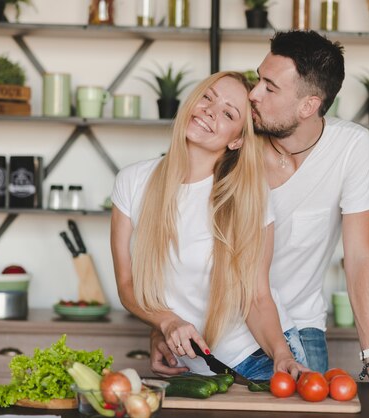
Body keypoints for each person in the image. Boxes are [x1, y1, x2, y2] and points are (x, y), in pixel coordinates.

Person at [152, 31, 369, 385]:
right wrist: (161, 325)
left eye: (270, 88)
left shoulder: (351, 148)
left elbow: (360, 255)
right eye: (258, 79)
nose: (253, 94)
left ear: (308, 106)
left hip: (300, 323)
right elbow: (173, 233)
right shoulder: (233, 137)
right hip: (219, 329)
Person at [110, 71, 306, 380]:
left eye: (228, 113)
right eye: (207, 98)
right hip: (194, 365)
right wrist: (164, 323)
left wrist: (281, 354)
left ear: (238, 139)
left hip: (260, 355)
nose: (209, 112)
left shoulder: (248, 196)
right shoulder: (133, 182)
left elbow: (256, 296)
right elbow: (126, 284)